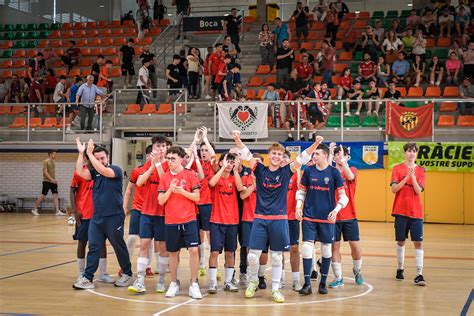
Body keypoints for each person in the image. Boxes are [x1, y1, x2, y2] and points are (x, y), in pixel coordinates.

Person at [232, 130, 324, 303]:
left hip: (279, 219)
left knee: (276, 256)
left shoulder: (286, 172)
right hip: (259, 218)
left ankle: (275, 289)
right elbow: (246, 153)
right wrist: (237, 139)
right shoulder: (259, 170)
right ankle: (253, 282)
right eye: (273, 153)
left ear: (282, 157)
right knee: (253, 256)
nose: (276, 156)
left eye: (279, 154)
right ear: (269, 155)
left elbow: (302, 158)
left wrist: (316, 144)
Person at [73, 138, 133, 290]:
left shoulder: (115, 170)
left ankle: (127, 274)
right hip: (97, 218)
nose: (100, 160)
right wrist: (82, 154)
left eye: (102, 158)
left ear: (108, 158)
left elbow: (102, 170)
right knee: (94, 246)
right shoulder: (95, 174)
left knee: (118, 245)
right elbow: (80, 171)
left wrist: (90, 154)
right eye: (98, 158)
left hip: (114, 217)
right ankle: (87, 278)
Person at [296, 143, 348, 295]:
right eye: (313, 154)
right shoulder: (308, 171)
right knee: (306, 248)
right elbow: (301, 192)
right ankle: (307, 284)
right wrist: (298, 207)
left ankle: (323, 283)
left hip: (326, 218)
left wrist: (336, 210)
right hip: (309, 217)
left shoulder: (334, 173)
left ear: (325, 155)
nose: (314, 156)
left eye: (317, 154)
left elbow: (344, 198)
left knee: (326, 250)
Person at [158, 146, 202, 299]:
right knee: (173, 253)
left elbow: (197, 197)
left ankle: (194, 283)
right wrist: (170, 189)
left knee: (194, 251)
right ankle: (174, 283)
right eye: (168, 158)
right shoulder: (164, 177)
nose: (169, 161)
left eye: (173, 158)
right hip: (171, 221)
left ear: (181, 159)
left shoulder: (190, 175)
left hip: (189, 220)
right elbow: (161, 200)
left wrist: (181, 191)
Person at [128, 142, 170, 294]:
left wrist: (158, 164)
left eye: (163, 146)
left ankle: (161, 280)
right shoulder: (147, 166)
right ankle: (140, 281)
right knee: (144, 244)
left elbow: (165, 180)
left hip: (163, 213)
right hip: (146, 212)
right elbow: (139, 183)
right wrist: (152, 165)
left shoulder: (170, 165)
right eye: (157, 146)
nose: (160, 149)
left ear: (167, 149)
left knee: (164, 247)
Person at [71, 153, 114, 284]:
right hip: (84, 214)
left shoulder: (103, 172)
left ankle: (103, 273)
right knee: (82, 242)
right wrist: (75, 210)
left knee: (101, 244)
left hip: (99, 214)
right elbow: (72, 191)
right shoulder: (80, 172)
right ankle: (81, 273)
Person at [390, 142, 427, 286]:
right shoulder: (397, 168)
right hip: (400, 210)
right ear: (405, 153)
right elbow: (394, 189)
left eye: (414, 151)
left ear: (416, 154)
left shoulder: (421, 170)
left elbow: (418, 191)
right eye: (409, 151)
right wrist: (406, 178)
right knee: (401, 241)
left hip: (416, 212)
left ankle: (419, 273)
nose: (411, 153)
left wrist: (412, 177)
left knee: (418, 242)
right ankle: (400, 268)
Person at [207, 153, 243, 293]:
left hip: (232, 222)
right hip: (216, 220)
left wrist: (234, 169)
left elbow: (240, 188)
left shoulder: (234, 179)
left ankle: (228, 282)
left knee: (230, 253)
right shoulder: (215, 177)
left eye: (231, 161)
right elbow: (211, 183)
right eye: (226, 161)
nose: (229, 163)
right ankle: (213, 283)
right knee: (215, 252)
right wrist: (223, 168)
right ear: (221, 162)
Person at [328, 145, 364, 289]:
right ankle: (338, 277)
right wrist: (330, 153)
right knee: (334, 247)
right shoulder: (330, 172)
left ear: (347, 157)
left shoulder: (352, 170)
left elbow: (350, 176)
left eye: (341, 155)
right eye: (336, 155)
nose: (338, 156)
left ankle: (357, 270)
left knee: (355, 246)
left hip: (350, 216)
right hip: (334, 216)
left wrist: (343, 162)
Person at [122, 144, 154, 277]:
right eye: (151, 154)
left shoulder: (160, 171)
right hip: (138, 208)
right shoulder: (137, 170)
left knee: (148, 241)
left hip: (151, 210)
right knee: (132, 238)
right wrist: (124, 206)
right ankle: (125, 265)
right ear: (147, 156)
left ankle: (147, 266)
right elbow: (129, 189)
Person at [31, 150, 65, 216]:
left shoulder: (53, 162)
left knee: (55, 195)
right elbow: (45, 172)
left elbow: (52, 173)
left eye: (55, 154)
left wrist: (54, 180)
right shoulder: (46, 161)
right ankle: (34, 209)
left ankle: (57, 211)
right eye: (54, 154)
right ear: (50, 154)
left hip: (53, 182)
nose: (55, 155)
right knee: (43, 195)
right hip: (46, 181)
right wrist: (52, 180)